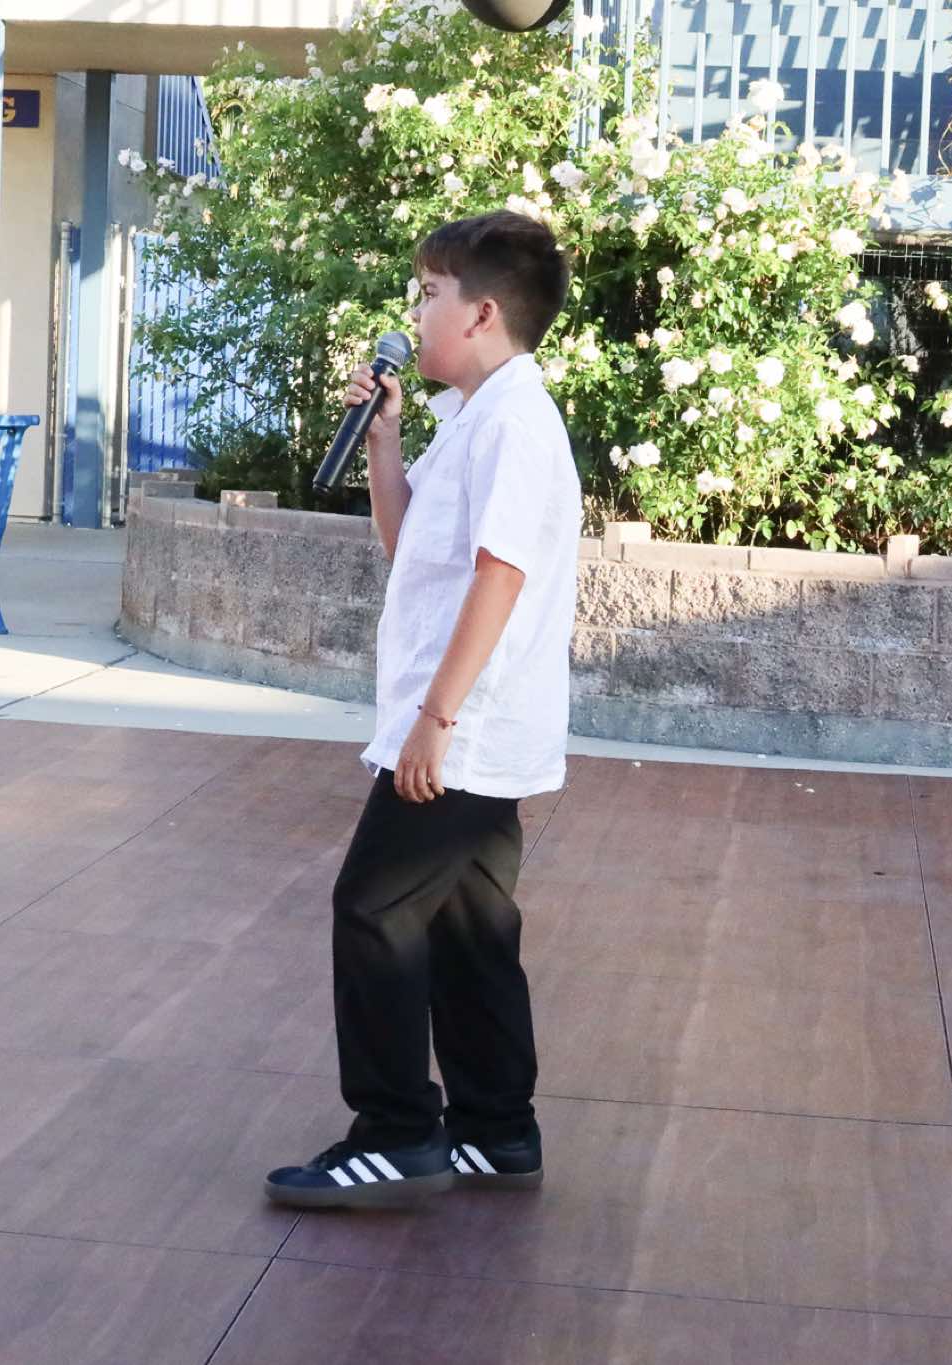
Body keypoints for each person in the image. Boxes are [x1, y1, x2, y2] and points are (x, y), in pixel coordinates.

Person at [264, 210, 581, 1209]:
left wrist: (435, 720)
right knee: (466, 927)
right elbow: (413, 550)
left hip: (463, 728)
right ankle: (496, 1130)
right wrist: (386, 439)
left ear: (481, 313)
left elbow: (500, 573)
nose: (416, 310)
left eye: (430, 293)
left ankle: (398, 1132)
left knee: (373, 909)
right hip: (469, 725)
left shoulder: (515, 424)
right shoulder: (474, 418)